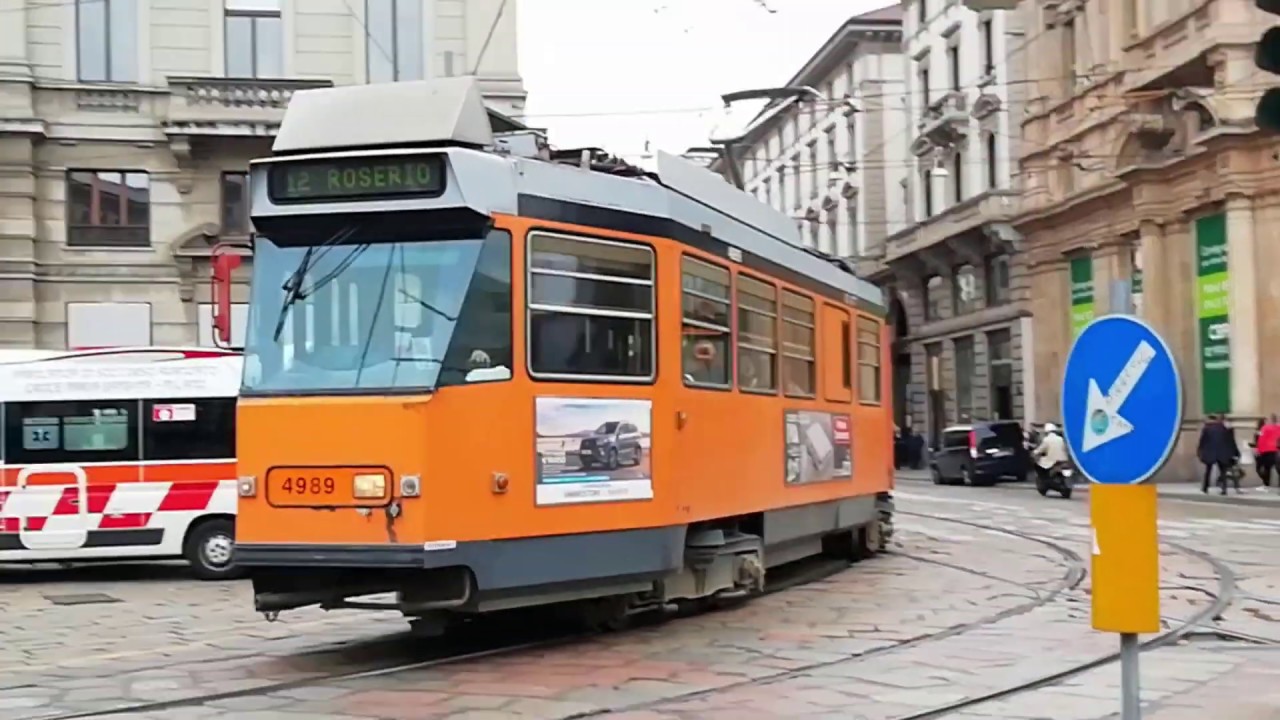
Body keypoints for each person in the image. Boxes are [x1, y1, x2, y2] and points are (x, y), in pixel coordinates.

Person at [1198, 414, 1240, 495]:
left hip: (1211, 452)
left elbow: (1202, 441)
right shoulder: (1226, 430)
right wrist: (1236, 453)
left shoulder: (1207, 429)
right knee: (1223, 471)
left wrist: (1200, 451)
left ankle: (1205, 487)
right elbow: (1231, 442)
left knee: (1208, 470)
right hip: (1223, 453)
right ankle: (1224, 488)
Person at [1256, 415, 1280, 490]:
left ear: (1270, 420)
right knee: (1278, 469)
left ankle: (1266, 485)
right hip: (1277, 450)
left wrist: (1258, 450)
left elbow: (1261, 440)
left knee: (1267, 468)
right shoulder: (1279, 428)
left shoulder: (1265, 428)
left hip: (1266, 451)